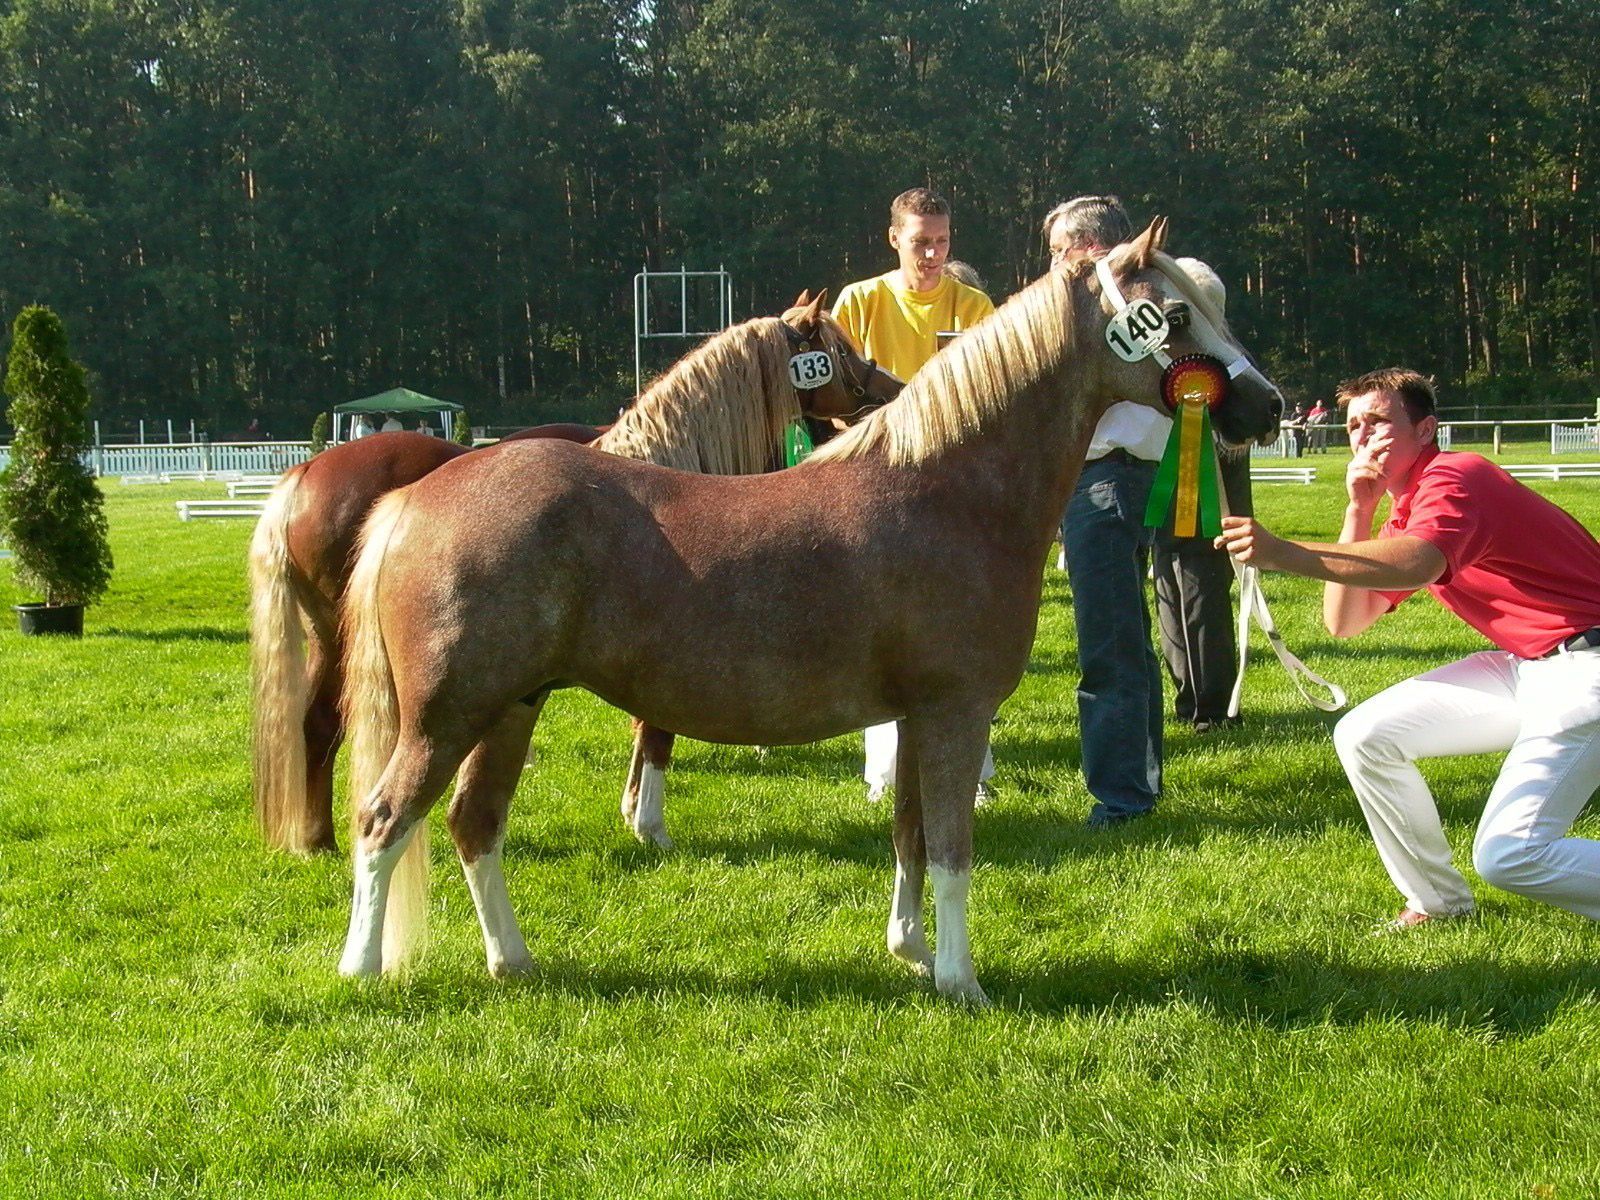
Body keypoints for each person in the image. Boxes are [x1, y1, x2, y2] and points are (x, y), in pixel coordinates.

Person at [1217, 367, 1600, 930]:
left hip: (1585, 666)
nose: (1362, 435)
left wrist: (1282, 551)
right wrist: (1358, 509)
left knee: (1511, 855)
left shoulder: (1456, 476)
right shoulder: (1409, 506)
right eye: (1352, 425)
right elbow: (1346, 621)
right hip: (1532, 666)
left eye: (1378, 421)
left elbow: (1420, 562)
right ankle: (1438, 903)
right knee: (1365, 735)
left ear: (1426, 430)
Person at [832, 187, 997, 803]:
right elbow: (834, 400)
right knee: (884, 629)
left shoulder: (975, 305)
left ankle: (972, 776)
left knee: (964, 630)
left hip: (953, 488)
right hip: (876, 481)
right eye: (921, 241)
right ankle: (883, 774)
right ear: (893, 238)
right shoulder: (859, 302)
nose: (932, 253)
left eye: (943, 241)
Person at [1045, 194, 1165, 828]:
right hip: (1115, 477)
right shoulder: (1135, 304)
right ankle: (1138, 779)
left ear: (1091, 249)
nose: (1056, 263)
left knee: (1110, 642)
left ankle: (1122, 797)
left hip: (1106, 479)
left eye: (1061, 250)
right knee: (1128, 638)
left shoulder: (1116, 306)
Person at [1151, 259, 1251, 734]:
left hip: (1201, 485)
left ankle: (1210, 704)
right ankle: (1193, 697)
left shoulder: (1218, 362)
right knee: (1173, 588)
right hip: (1173, 484)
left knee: (1197, 588)